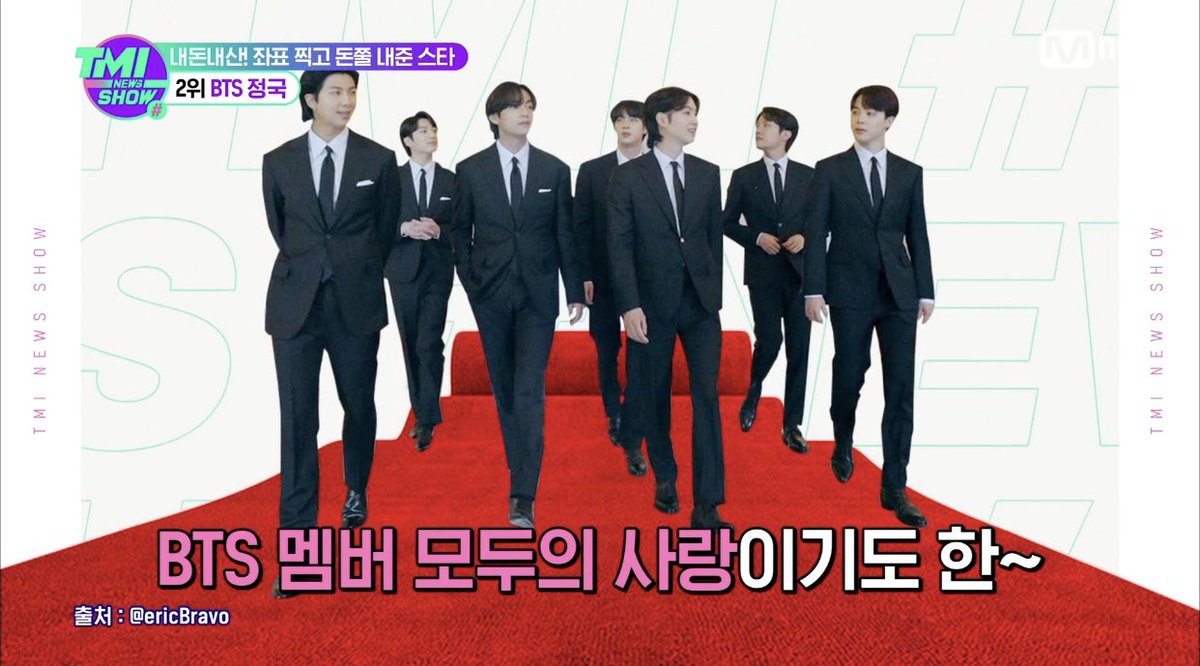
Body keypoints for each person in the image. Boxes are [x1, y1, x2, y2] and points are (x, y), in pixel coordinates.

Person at [262, 70, 400, 596]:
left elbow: (384, 232)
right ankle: (298, 552)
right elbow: (282, 228)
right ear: (311, 100)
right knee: (298, 422)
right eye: (337, 93)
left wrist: (354, 269)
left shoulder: (378, 160)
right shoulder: (278, 161)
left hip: (356, 303)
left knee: (358, 405)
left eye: (353, 92)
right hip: (295, 307)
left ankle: (356, 487)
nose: (347, 101)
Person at [448, 82, 585, 529]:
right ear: (494, 117)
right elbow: (459, 232)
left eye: (529, 106)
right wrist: (471, 282)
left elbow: (565, 234)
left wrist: (573, 291)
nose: (524, 113)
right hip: (489, 294)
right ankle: (518, 466)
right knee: (505, 391)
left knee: (529, 390)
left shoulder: (554, 169)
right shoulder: (470, 170)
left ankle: (523, 494)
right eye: (514, 106)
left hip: (538, 296)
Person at [803, 85, 936, 528]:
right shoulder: (830, 170)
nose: (860, 119)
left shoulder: (909, 173)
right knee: (849, 374)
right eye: (855, 111)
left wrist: (925, 290)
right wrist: (813, 290)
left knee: (900, 388)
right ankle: (843, 439)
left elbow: (917, 233)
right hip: (848, 288)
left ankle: (895, 485)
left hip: (899, 292)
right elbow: (817, 232)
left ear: (889, 121)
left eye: (871, 113)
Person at [608, 87, 731, 530]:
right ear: (661, 120)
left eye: (696, 113)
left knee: (706, 396)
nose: (694, 120)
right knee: (654, 390)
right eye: (686, 113)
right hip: (650, 305)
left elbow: (712, 240)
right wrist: (629, 305)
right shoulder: (628, 177)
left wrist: (714, 294)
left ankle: (708, 503)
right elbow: (619, 246)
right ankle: (665, 475)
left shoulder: (707, 173)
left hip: (700, 304)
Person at [723, 106, 814, 453]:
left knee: (799, 348)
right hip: (762, 273)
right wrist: (757, 237)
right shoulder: (744, 176)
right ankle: (754, 389)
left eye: (767, 126)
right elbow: (726, 222)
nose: (759, 130)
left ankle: (792, 424)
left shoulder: (809, 176)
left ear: (786, 134)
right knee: (770, 340)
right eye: (758, 125)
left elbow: (824, 220)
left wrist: (805, 237)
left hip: (800, 274)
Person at [573, 99, 649, 476]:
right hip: (602, 276)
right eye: (619, 119)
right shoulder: (592, 170)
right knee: (606, 348)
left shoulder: (658, 168)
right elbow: (581, 226)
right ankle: (612, 412)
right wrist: (583, 275)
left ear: (647, 126)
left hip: (646, 278)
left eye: (633, 119)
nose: (625, 124)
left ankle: (633, 416)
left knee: (641, 349)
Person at [385, 111, 456, 452]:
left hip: (437, 271)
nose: (431, 135)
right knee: (410, 342)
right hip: (402, 271)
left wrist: (439, 231)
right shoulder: (391, 180)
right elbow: (375, 222)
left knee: (429, 341)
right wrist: (403, 228)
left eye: (434, 129)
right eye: (423, 130)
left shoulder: (452, 180)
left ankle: (427, 417)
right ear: (408, 140)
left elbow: (464, 226)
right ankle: (420, 409)